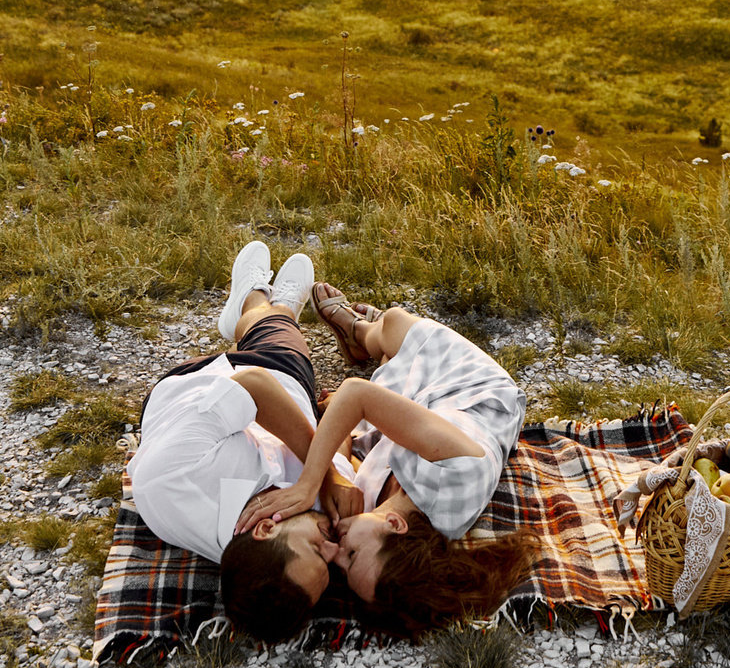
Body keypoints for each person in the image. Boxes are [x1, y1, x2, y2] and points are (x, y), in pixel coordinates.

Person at [238, 289, 538, 636]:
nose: (335, 552)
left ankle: (376, 351)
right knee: (396, 324)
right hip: (468, 390)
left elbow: (346, 442)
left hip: (416, 413)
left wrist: (336, 459)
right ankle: (362, 334)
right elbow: (356, 393)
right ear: (395, 525)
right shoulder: (459, 474)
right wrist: (309, 483)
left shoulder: (371, 512)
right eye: (351, 555)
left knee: (380, 381)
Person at [126, 240, 340, 642]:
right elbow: (341, 439)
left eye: (319, 552)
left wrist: (317, 475)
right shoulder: (306, 525)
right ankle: (279, 313)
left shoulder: (170, 479)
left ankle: (255, 300)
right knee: (288, 346)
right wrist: (331, 475)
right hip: (289, 392)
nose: (334, 550)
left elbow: (255, 386)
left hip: (201, 387)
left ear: (262, 530)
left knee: (270, 330)